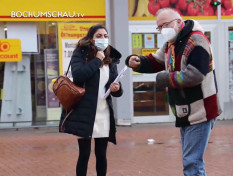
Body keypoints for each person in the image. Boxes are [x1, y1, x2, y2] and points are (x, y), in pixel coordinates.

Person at [125, 8, 222, 176]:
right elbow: (156, 60)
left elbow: (195, 74)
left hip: (201, 110)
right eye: (159, 27)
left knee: (192, 162)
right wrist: (138, 63)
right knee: (192, 161)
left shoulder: (197, 40)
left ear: (179, 22)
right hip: (185, 112)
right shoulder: (172, 43)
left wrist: (167, 79)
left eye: (166, 25)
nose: (163, 30)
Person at [59, 24, 123, 176]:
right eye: (99, 36)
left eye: (105, 36)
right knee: (84, 154)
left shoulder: (111, 57)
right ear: (90, 38)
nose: (103, 39)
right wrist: (97, 60)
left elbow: (117, 91)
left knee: (101, 155)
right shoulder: (81, 54)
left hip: (103, 113)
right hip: (85, 112)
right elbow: (79, 75)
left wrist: (117, 88)